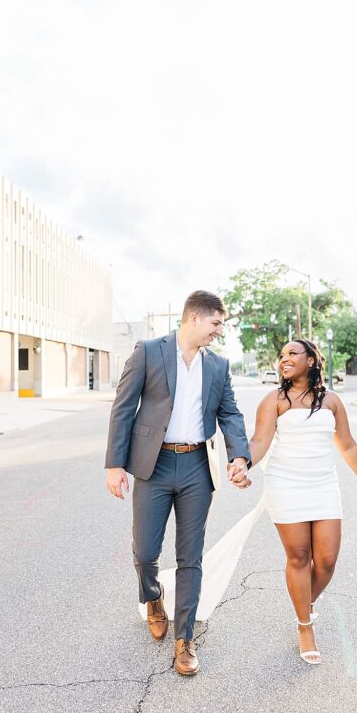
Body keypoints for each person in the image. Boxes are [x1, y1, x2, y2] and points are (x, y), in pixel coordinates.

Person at [104, 290, 252, 677]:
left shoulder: (218, 366)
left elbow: (230, 413)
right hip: (152, 465)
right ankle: (152, 597)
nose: (220, 331)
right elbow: (123, 409)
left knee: (190, 556)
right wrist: (114, 465)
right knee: (144, 550)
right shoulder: (149, 351)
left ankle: (184, 640)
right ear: (194, 319)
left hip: (196, 468)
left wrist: (239, 455)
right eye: (216, 323)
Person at [248, 338, 357, 664]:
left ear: (311, 360)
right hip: (285, 484)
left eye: (292, 354)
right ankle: (304, 625)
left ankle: (304, 602)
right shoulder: (274, 400)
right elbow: (260, 441)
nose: (284, 360)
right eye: (282, 356)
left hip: (323, 486)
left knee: (326, 560)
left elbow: (347, 446)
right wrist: (242, 463)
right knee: (299, 556)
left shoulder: (332, 401)